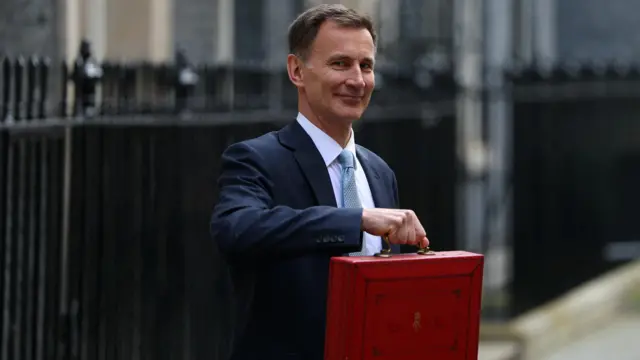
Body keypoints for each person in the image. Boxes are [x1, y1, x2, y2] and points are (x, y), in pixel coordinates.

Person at [210, 4, 430, 360]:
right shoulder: (255, 159)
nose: (357, 81)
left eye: (366, 66)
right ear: (297, 71)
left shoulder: (379, 171)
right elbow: (236, 229)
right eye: (340, 64)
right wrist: (356, 220)